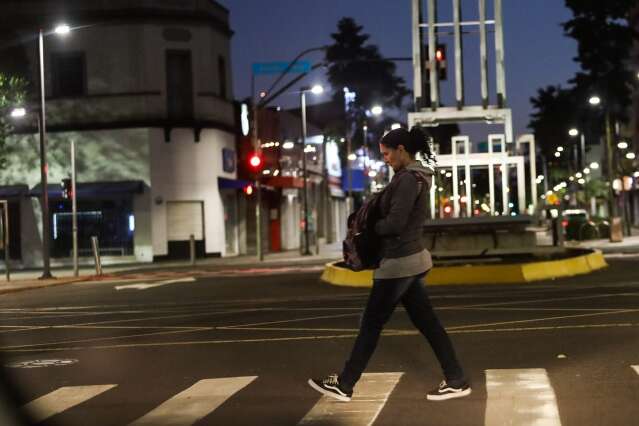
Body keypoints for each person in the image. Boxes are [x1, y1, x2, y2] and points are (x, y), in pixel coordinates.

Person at [308, 126, 471, 402]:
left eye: (387, 154)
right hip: (407, 260)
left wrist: (370, 228)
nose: (385, 158)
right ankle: (455, 379)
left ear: (401, 151)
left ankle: (345, 383)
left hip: (398, 262)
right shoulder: (411, 177)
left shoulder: (408, 180)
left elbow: (396, 223)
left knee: (371, 323)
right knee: (428, 323)